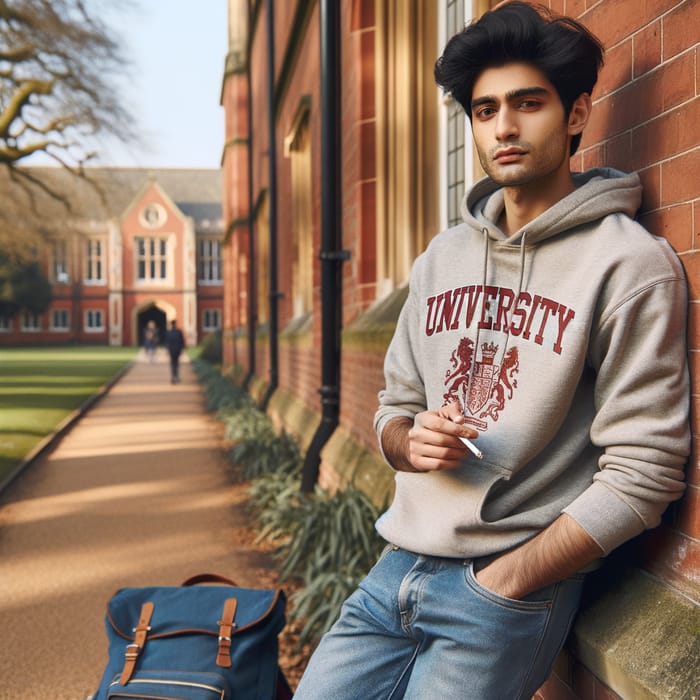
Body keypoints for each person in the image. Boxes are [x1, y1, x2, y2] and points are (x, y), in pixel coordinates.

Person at [293, 3, 690, 699]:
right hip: (396, 570)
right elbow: (394, 407)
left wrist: (505, 580)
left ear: (575, 115)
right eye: (484, 111)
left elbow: (646, 472)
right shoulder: (441, 257)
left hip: (503, 590)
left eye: (527, 104)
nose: (503, 127)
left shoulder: (628, 267)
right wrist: (406, 441)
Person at [164, 319, 185, 384]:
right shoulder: (179, 332)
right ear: (175, 324)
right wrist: (182, 349)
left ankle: (173, 377)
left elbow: (167, 342)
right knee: (177, 363)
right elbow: (182, 341)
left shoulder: (168, 332)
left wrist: (167, 350)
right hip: (177, 349)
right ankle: (177, 377)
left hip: (171, 350)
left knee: (172, 363)